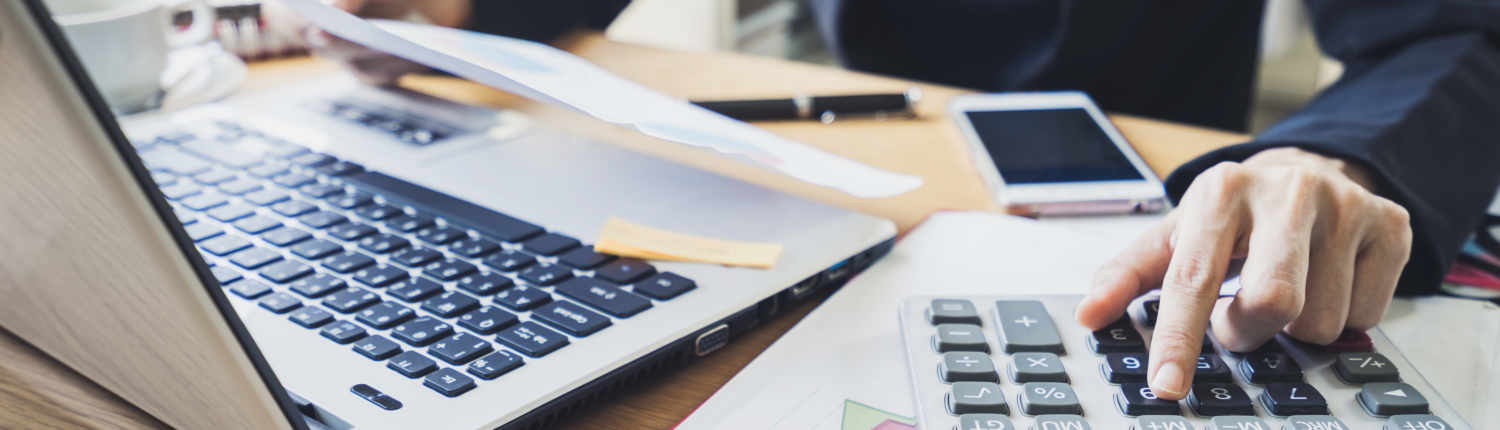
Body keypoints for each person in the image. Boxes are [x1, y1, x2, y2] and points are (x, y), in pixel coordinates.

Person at [271, 0, 1500, 400]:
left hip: (1147, 173)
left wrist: (1339, 159)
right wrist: (459, 14)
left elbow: (1453, 28)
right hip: (872, 149)